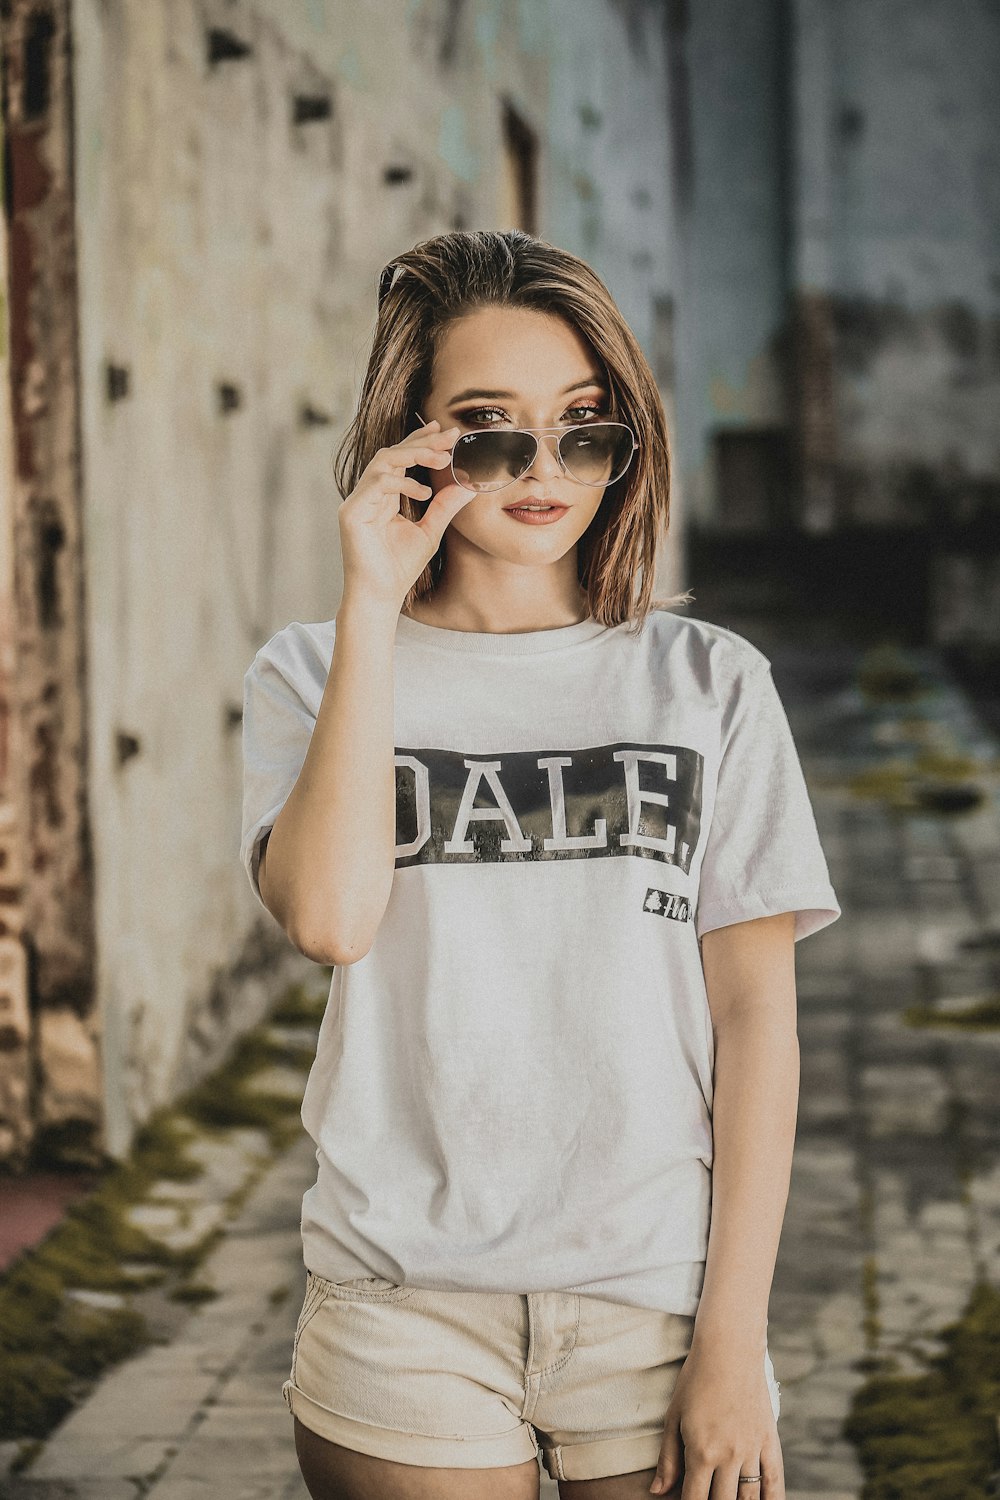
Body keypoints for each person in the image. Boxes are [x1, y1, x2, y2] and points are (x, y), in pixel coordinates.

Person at [240, 229, 841, 1500]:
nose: (546, 468)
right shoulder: (313, 670)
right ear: (414, 437)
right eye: (490, 428)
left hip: (656, 1302)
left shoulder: (708, 683)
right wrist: (370, 602)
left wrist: (732, 1339)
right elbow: (332, 921)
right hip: (404, 1302)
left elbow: (756, 1024)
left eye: (583, 426)